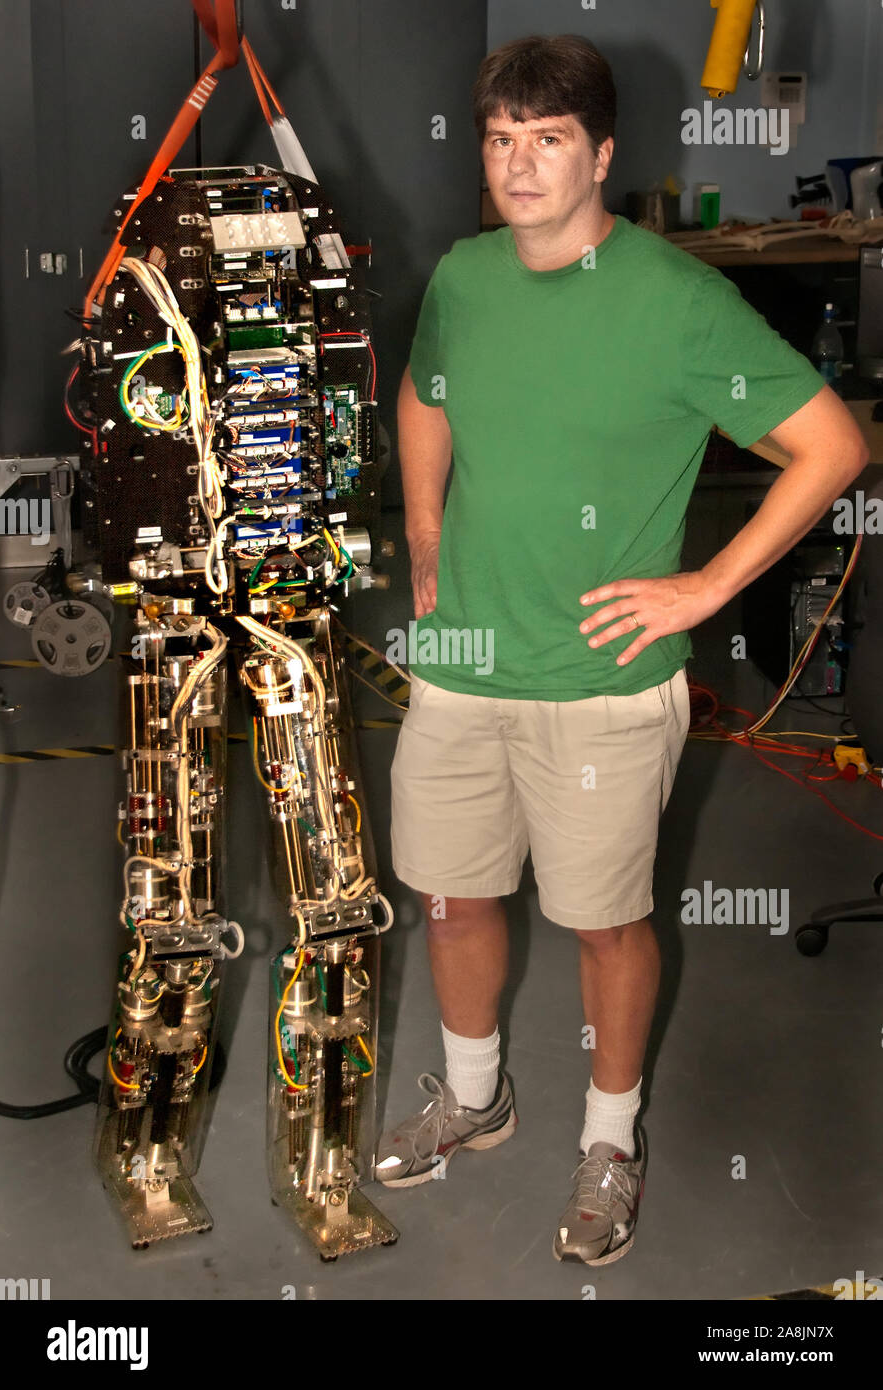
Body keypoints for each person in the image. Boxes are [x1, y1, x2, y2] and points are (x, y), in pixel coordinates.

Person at [376, 32, 868, 1266]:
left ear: (601, 153)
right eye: (499, 140)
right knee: (452, 894)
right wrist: (426, 534)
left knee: (604, 923)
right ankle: (476, 1093)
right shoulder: (464, 278)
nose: (520, 164)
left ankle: (610, 1138)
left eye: (548, 140)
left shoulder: (676, 299)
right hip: (462, 666)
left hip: (601, 690)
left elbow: (833, 447)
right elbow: (424, 396)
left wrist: (703, 585)